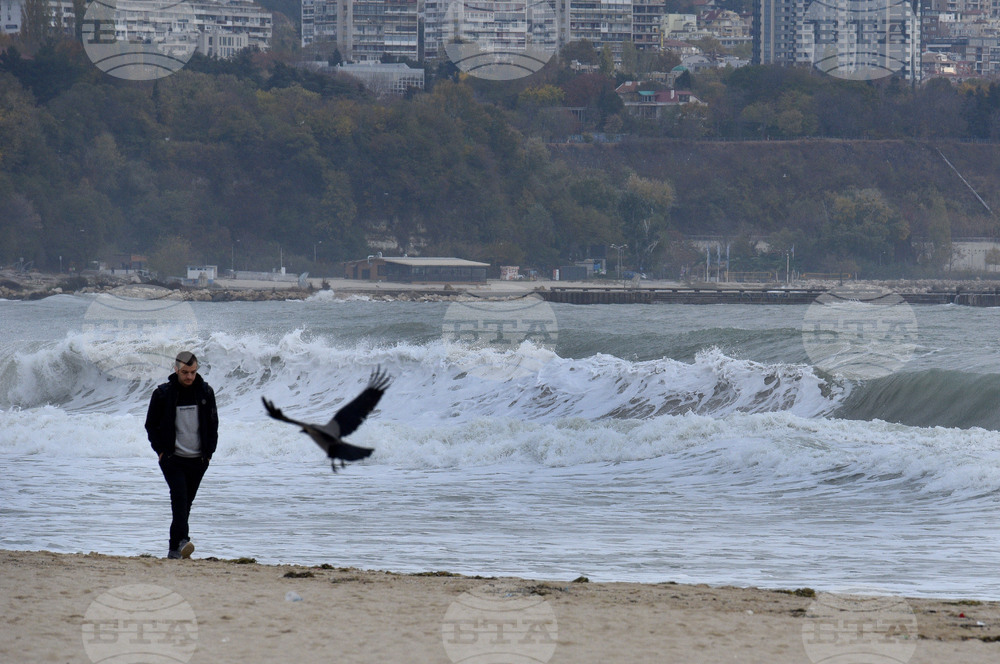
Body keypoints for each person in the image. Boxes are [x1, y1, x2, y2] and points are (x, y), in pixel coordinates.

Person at [145, 351, 219, 560]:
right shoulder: (162, 394)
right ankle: (183, 541)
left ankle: (173, 550)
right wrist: (160, 451)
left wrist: (209, 454)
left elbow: (213, 424)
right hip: (173, 459)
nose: (189, 377)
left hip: (198, 459)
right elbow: (150, 425)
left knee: (185, 504)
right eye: (185, 372)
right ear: (176, 370)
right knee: (179, 499)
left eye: (193, 372)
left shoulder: (205, 392)